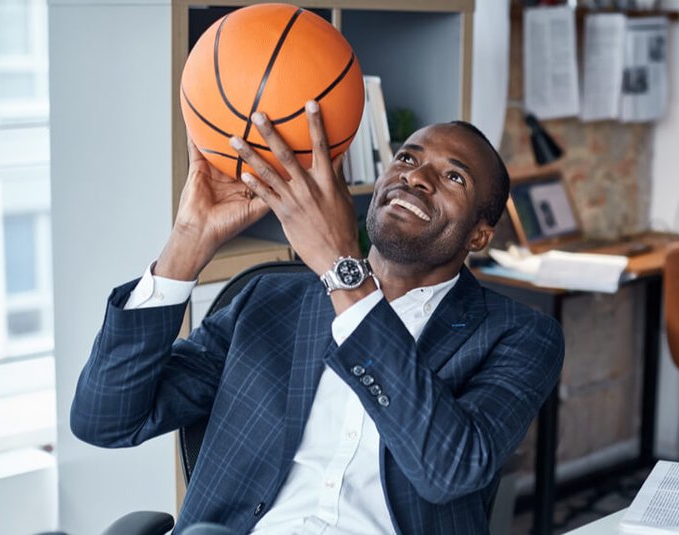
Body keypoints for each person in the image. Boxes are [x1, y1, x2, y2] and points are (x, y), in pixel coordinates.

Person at [71, 100, 564, 535]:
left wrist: (341, 271)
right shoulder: (268, 299)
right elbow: (106, 420)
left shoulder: (519, 334)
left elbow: (449, 469)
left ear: (479, 235)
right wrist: (186, 242)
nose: (416, 176)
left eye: (454, 176)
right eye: (408, 158)